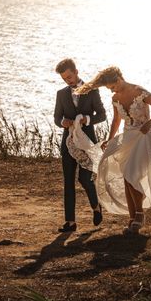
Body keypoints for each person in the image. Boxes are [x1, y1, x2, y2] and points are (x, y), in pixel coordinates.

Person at [75, 67, 151, 235]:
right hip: (128, 137)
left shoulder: (140, 92)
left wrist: (149, 123)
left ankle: (140, 214)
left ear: (118, 79)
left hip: (144, 135)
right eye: (109, 89)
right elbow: (116, 120)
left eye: (112, 87)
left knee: (132, 174)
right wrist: (109, 140)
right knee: (126, 176)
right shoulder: (115, 98)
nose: (112, 90)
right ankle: (132, 217)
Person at [53, 58, 106, 233]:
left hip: (87, 142)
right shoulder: (61, 94)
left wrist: (87, 119)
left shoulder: (92, 90)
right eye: (64, 79)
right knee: (68, 181)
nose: (68, 80)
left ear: (76, 71)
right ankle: (70, 222)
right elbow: (56, 118)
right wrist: (63, 122)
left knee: (84, 179)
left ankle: (96, 206)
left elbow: (102, 115)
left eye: (69, 76)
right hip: (68, 143)